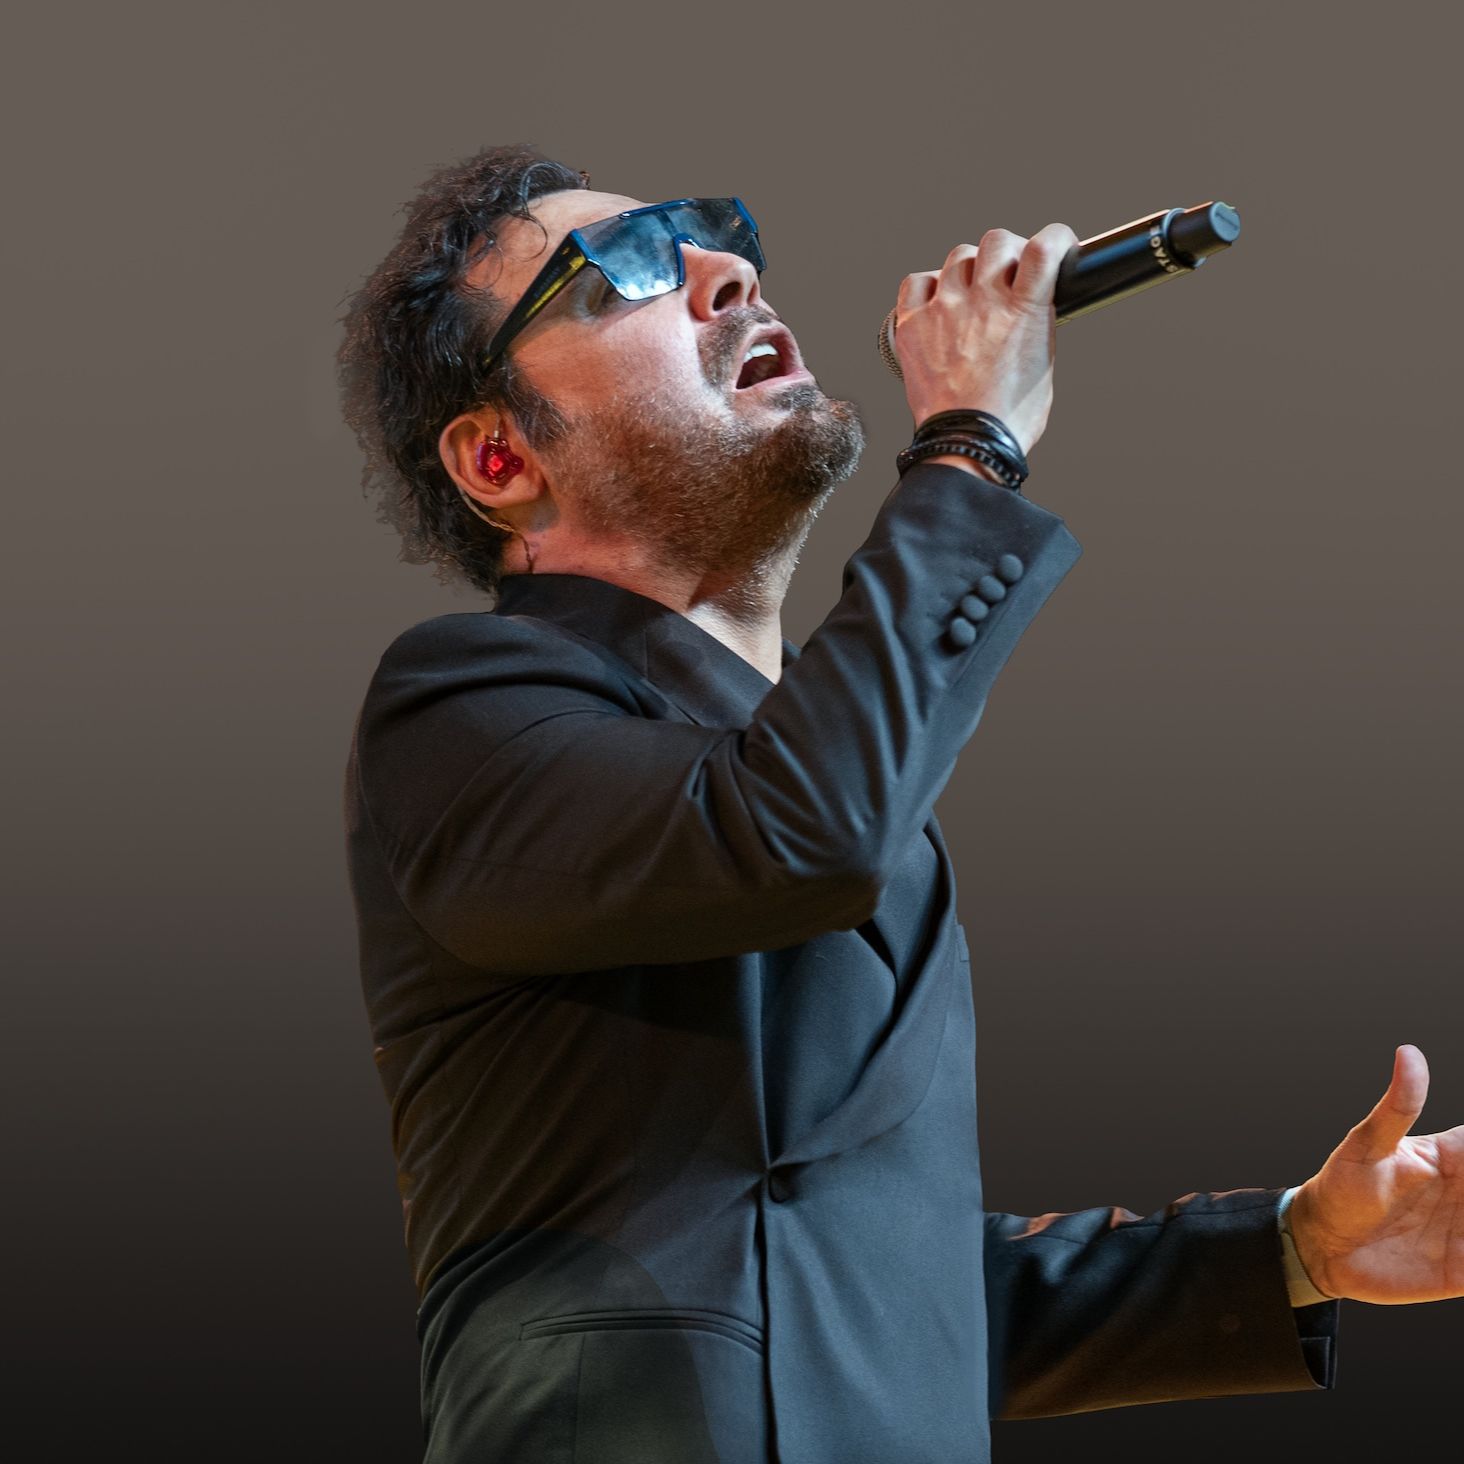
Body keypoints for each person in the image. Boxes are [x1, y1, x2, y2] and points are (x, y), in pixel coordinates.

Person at [337, 145, 1462, 1463]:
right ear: (497, 458)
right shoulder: (464, 707)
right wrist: (969, 446)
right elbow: (795, 831)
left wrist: (1294, 1250)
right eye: (622, 268)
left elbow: (873, 1296)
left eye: (712, 230)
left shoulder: (838, 771)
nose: (727, 270)